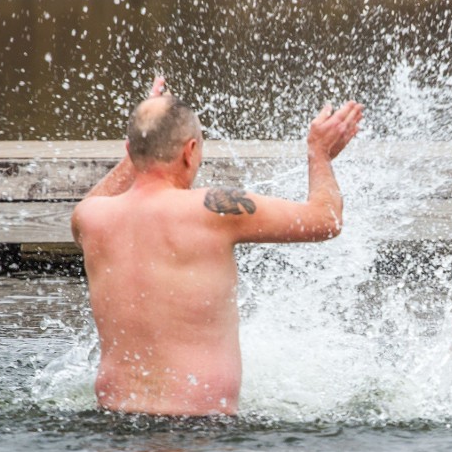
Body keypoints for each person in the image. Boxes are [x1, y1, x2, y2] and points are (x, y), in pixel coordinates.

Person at [71, 77, 363, 415]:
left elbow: (90, 205)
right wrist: (320, 154)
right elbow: (324, 220)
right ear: (190, 151)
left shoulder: (92, 218)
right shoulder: (212, 209)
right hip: (200, 435)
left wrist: (143, 141)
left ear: (130, 151)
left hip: (113, 431)